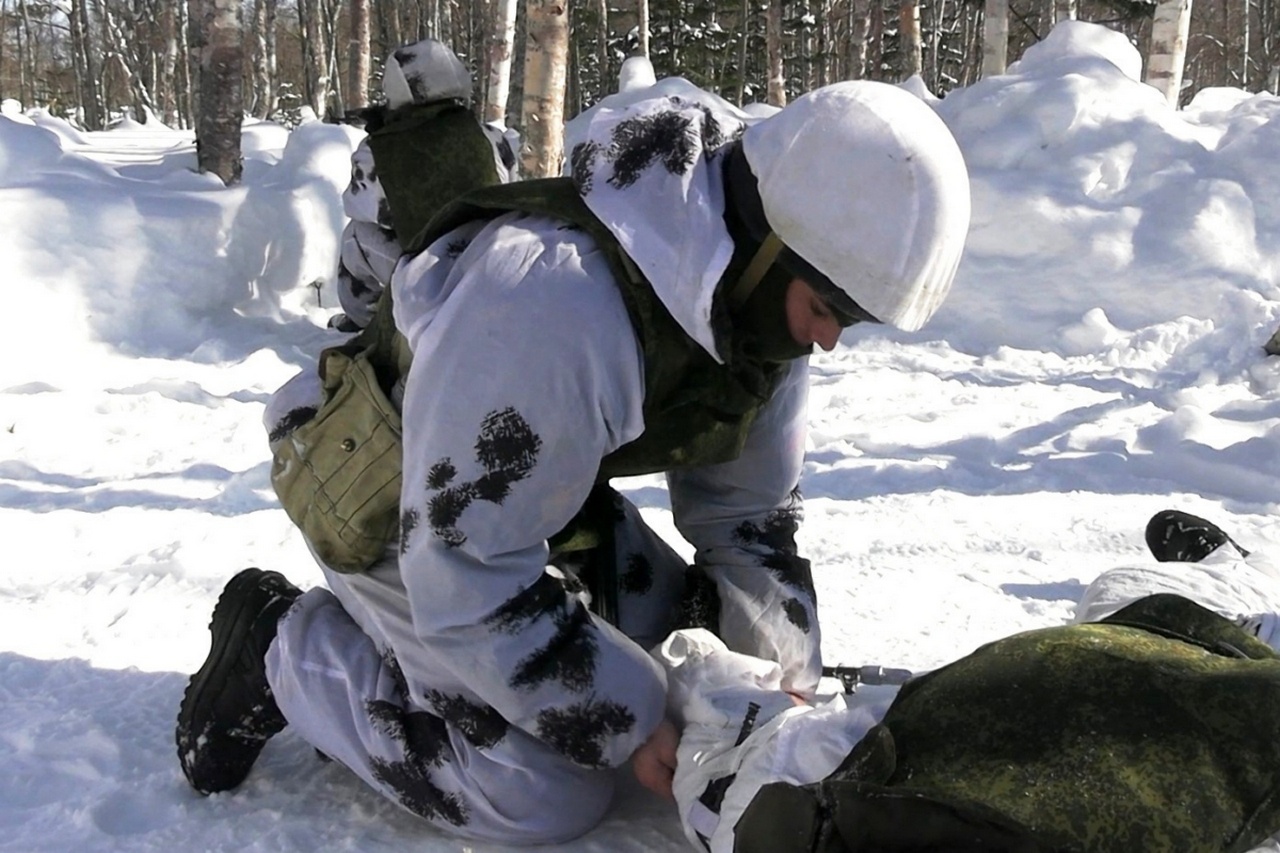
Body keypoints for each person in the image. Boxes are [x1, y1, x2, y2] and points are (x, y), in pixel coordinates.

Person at [175, 78, 972, 844]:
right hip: (383, 491)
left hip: (521, 503)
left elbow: (749, 521)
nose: (828, 339)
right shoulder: (554, 298)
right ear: (771, 242)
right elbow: (462, 567)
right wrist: (625, 721)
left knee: (694, 655)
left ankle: (409, 656)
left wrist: (779, 697)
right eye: (828, 311)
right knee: (537, 784)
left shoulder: (754, 301)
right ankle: (284, 643)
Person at [659, 509, 1280, 853]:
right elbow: (728, 726)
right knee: (1134, 601)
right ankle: (1237, 593)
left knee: (1125, 597)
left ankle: (1234, 597)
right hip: (1125, 670)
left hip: (1122, 660)